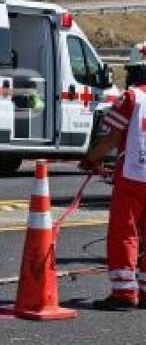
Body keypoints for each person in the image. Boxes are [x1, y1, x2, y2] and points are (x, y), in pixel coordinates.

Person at [80, 42, 146, 310]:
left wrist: (90, 159)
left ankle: (123, 292)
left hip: (132, 176)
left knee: (124, 232)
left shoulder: (131, 98)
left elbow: (113, 137)